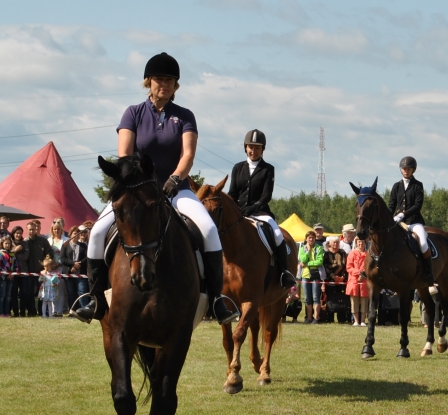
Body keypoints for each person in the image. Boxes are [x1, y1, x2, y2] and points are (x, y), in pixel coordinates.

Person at [73, 52, 238, 325]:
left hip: (177, 189)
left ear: (176, 85)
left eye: (170, 80)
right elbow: (125, 155)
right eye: (160, 79)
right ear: (148, 81)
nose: (165, 84)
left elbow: (187, 155)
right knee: (97, 232)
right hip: (138, 191)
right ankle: (94, 299)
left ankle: (217, 299)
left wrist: (173, 180)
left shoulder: (184, 116)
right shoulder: (133, 113)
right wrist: (142, 185)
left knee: (208, 229)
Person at [227, 129, 297, 288]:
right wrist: (234, 208)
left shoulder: (268, 169)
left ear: (263, 150)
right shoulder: (237, 168)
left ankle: (285, 273)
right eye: (251, 147)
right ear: (245, 147)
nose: (253, 151)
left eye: (257, 148)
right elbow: (232, 193)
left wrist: (253, 207)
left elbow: (266, 195)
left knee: (278, 234)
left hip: (260, 212)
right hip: (239, 212)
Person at [388, 156, 437, 295]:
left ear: (412, 170)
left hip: (414, 222)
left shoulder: (417, 185)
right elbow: (391, 205)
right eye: (404, 169)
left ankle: (429, 274)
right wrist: (389, 218)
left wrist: (403, 214)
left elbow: (417, 205)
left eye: (408, 169)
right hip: (399, 222)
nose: (406, 171)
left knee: (422, 243)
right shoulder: (396, 186)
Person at [298, 231, 324, 324]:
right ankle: (309, 318)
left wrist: (308, 264)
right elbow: (303, 259)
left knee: (316, 297)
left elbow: (319, 261)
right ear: (306, 239)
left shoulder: (319, 248)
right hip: (305, 275)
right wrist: (308, 251)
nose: (311, 239)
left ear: (315, 239)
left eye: (312, 238)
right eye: (309, 238)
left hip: (316, 275)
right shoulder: (302, 249)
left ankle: (316, 318)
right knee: (307, 298)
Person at [322, 236, 348, 323]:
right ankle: (329, 318)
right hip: (330, 280)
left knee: (341, 298)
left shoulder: (342, 252)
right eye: (334, 242)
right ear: (330, 243)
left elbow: (345, 265)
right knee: (330, 298)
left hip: (341, 280)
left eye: (337, 242)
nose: (336, 244)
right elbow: (325, 267)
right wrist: (334, 277)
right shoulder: (326, 254)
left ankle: (342, 318)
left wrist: (342, 277)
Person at [345, 237, 369, 326]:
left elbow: (369, 267)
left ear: (365, 242)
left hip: (364, 280)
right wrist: (359, 273)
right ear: (356, 243)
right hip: (353, 280)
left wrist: (363, 275)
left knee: (364, 301)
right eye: (359, 242)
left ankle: (362, 321)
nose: (360, 244)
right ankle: (356, 321)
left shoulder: (368, 254)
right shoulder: (352, 254)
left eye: (362, 241)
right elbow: (349, 267)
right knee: (354, 301)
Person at [0, 236, 15, 317]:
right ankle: (1, 312)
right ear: (2, 244)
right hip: (2, 277)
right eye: (6, 243)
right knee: (2, 295)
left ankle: (7, 312)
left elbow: (15, 264)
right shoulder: (0, 254)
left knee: (8, 296)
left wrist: (13, 273)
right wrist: (4, 273)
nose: (7, 245)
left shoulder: (12, 254)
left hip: (10, 277)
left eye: (9, 243)